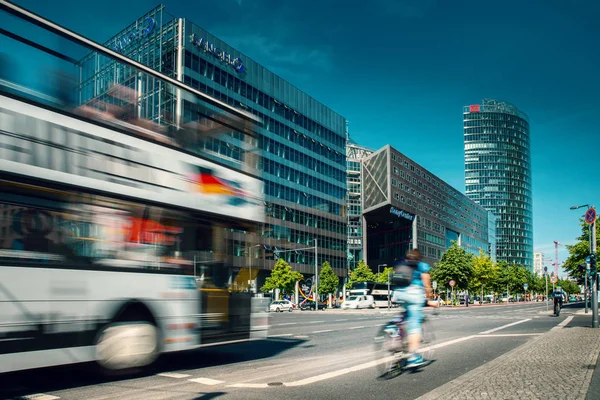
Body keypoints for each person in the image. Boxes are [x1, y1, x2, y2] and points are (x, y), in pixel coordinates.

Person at [391, 248, 437, 368]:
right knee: (415, 324)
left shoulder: (401, 263)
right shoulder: (422, 266)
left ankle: (395, 326)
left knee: (406, 313)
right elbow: (427, 286)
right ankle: (413, 357)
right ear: (419, 258)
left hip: (398, 293)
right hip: (413, 294)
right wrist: (430, 300)